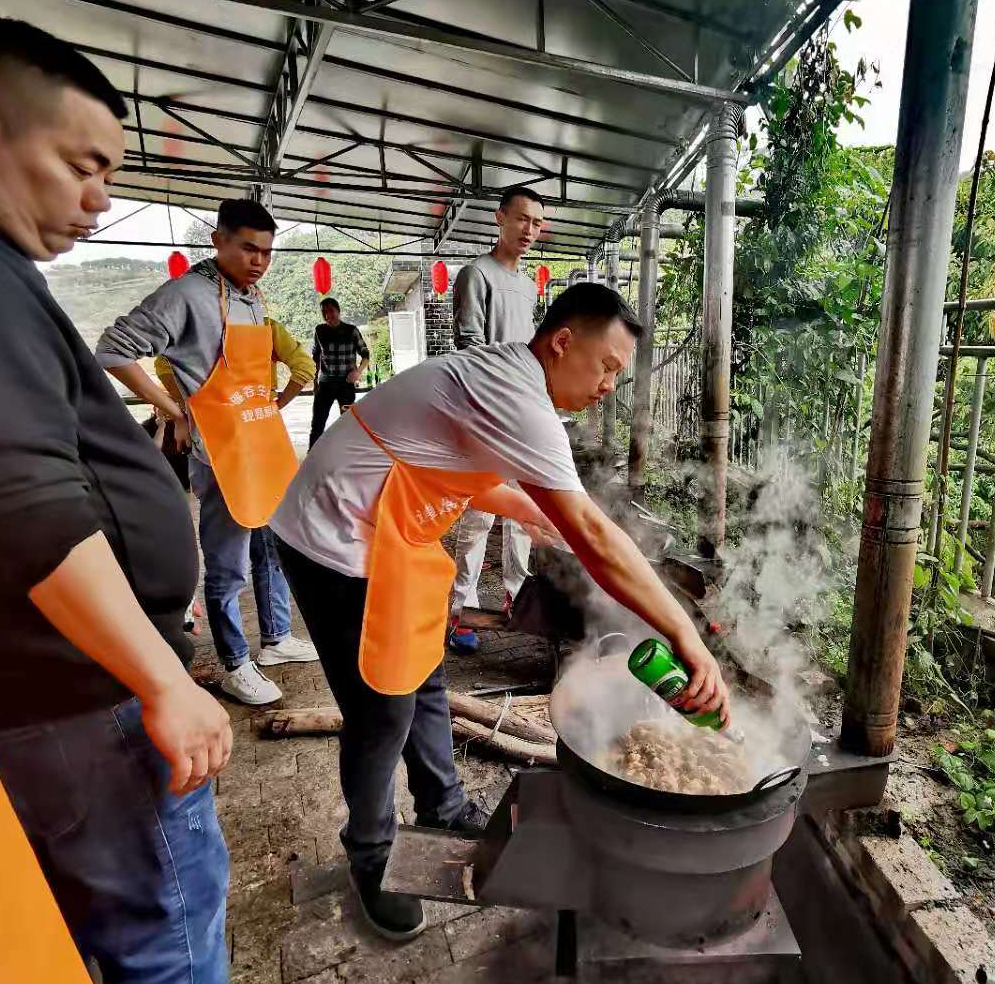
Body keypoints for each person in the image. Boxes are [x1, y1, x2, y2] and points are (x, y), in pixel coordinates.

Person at [0, 18, 232, 984]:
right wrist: (162, 678)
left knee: (111, 941)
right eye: (82, 165)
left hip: (52, 697)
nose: (100, 199)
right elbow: (23, 505)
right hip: (86, 704)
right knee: (168, 936)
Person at [269, 282, 729, 942]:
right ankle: (369, 857)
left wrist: (528, 510)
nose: (609, 386)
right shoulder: (518, 390)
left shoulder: (513, 380)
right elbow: (596, 538)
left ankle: (443, 803)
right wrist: (684, 632)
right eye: (607, 367)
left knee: (423, 672)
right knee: (381, 708)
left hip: (393, 537)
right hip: (332, 540)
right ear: (563, 341)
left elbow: (460, 457)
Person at [97, 199, 318, 707]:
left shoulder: (251, 296)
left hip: (259, 443)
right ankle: (235, 663)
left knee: (271, 547)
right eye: (247, 248)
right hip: (219, 454)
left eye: (266, 251)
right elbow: (112, 349)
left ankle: (277, 638)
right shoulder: (187, 294)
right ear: (218, 240)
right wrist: (173, 409)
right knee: (228, 564)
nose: (259, 260)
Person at [447, 185, 547, 653]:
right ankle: (460, 608)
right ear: (500, 218)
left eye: (537, 223)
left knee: (522, 519)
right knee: (480, 513)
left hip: (522, 415)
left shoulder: (529, 286)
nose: (530, 230)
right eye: (522, 219)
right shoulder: (475, 274)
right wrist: (493, 403)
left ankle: (517, 596)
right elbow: (470, 346)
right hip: (486, 412)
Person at [309, 296, 370, 447]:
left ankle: (348, 454)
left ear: (338, 311)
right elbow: (316, 356)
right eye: (324, 312)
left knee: (348, 423)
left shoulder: (351, 330)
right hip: (325, 384)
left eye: (331, 311)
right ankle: (313, 457)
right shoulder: (320, 330)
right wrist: (315, 381)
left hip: (346, 384)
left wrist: (358, 372)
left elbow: (366, 354)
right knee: (317, 423)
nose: (327, 315)